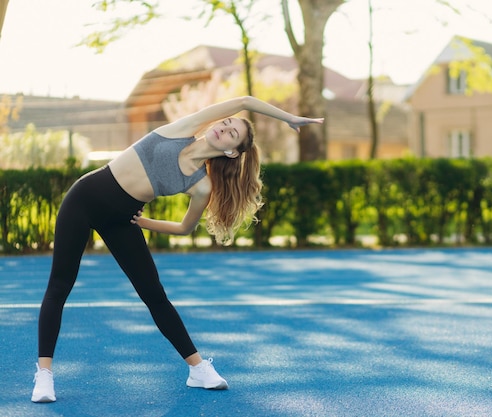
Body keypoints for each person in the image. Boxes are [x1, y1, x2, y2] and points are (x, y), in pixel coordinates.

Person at [31, 96, 324, 403]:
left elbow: (184, 227)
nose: (223, 128)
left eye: (231, 133)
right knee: (60, 285)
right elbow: (246, 100)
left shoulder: (201, 185)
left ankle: (197, 369)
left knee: (154, 294)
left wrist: (145, 223)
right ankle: (44, 376)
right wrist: (289, 117)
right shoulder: (183, 128)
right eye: (225, 123)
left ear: (231, 151)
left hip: (123, 219)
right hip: (83, 200)